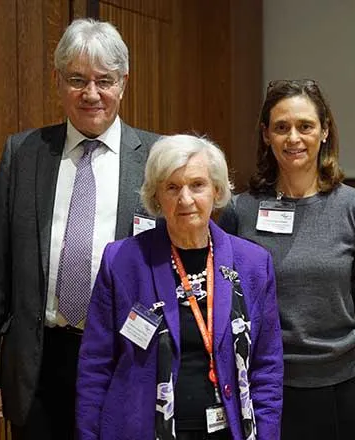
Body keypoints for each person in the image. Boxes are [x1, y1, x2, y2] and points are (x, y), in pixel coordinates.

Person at [0, 18, 159, 439]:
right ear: (57, 81)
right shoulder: (24, 153)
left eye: (104, 80)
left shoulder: (158, 159)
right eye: (77, 79)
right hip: (39, 361)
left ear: (123, 82)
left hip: (126, 359)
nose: (91, 94)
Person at [75, 134, 283, 440]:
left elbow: (267, 369)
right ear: (156, 196)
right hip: (142, 430)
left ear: (217, 189)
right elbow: (95, 365)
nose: (185, 199)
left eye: (197, 185)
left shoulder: (253, 264)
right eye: (172, 187)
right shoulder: (122, 261)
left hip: (229, 430)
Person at [219, 79, 355, 439]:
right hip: (266, 385)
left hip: (341, 384)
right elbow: (229, 300)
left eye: (305, 126)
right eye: (281, 127)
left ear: (324, 131)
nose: (293, 138)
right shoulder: (239, 211)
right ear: (266, 135)